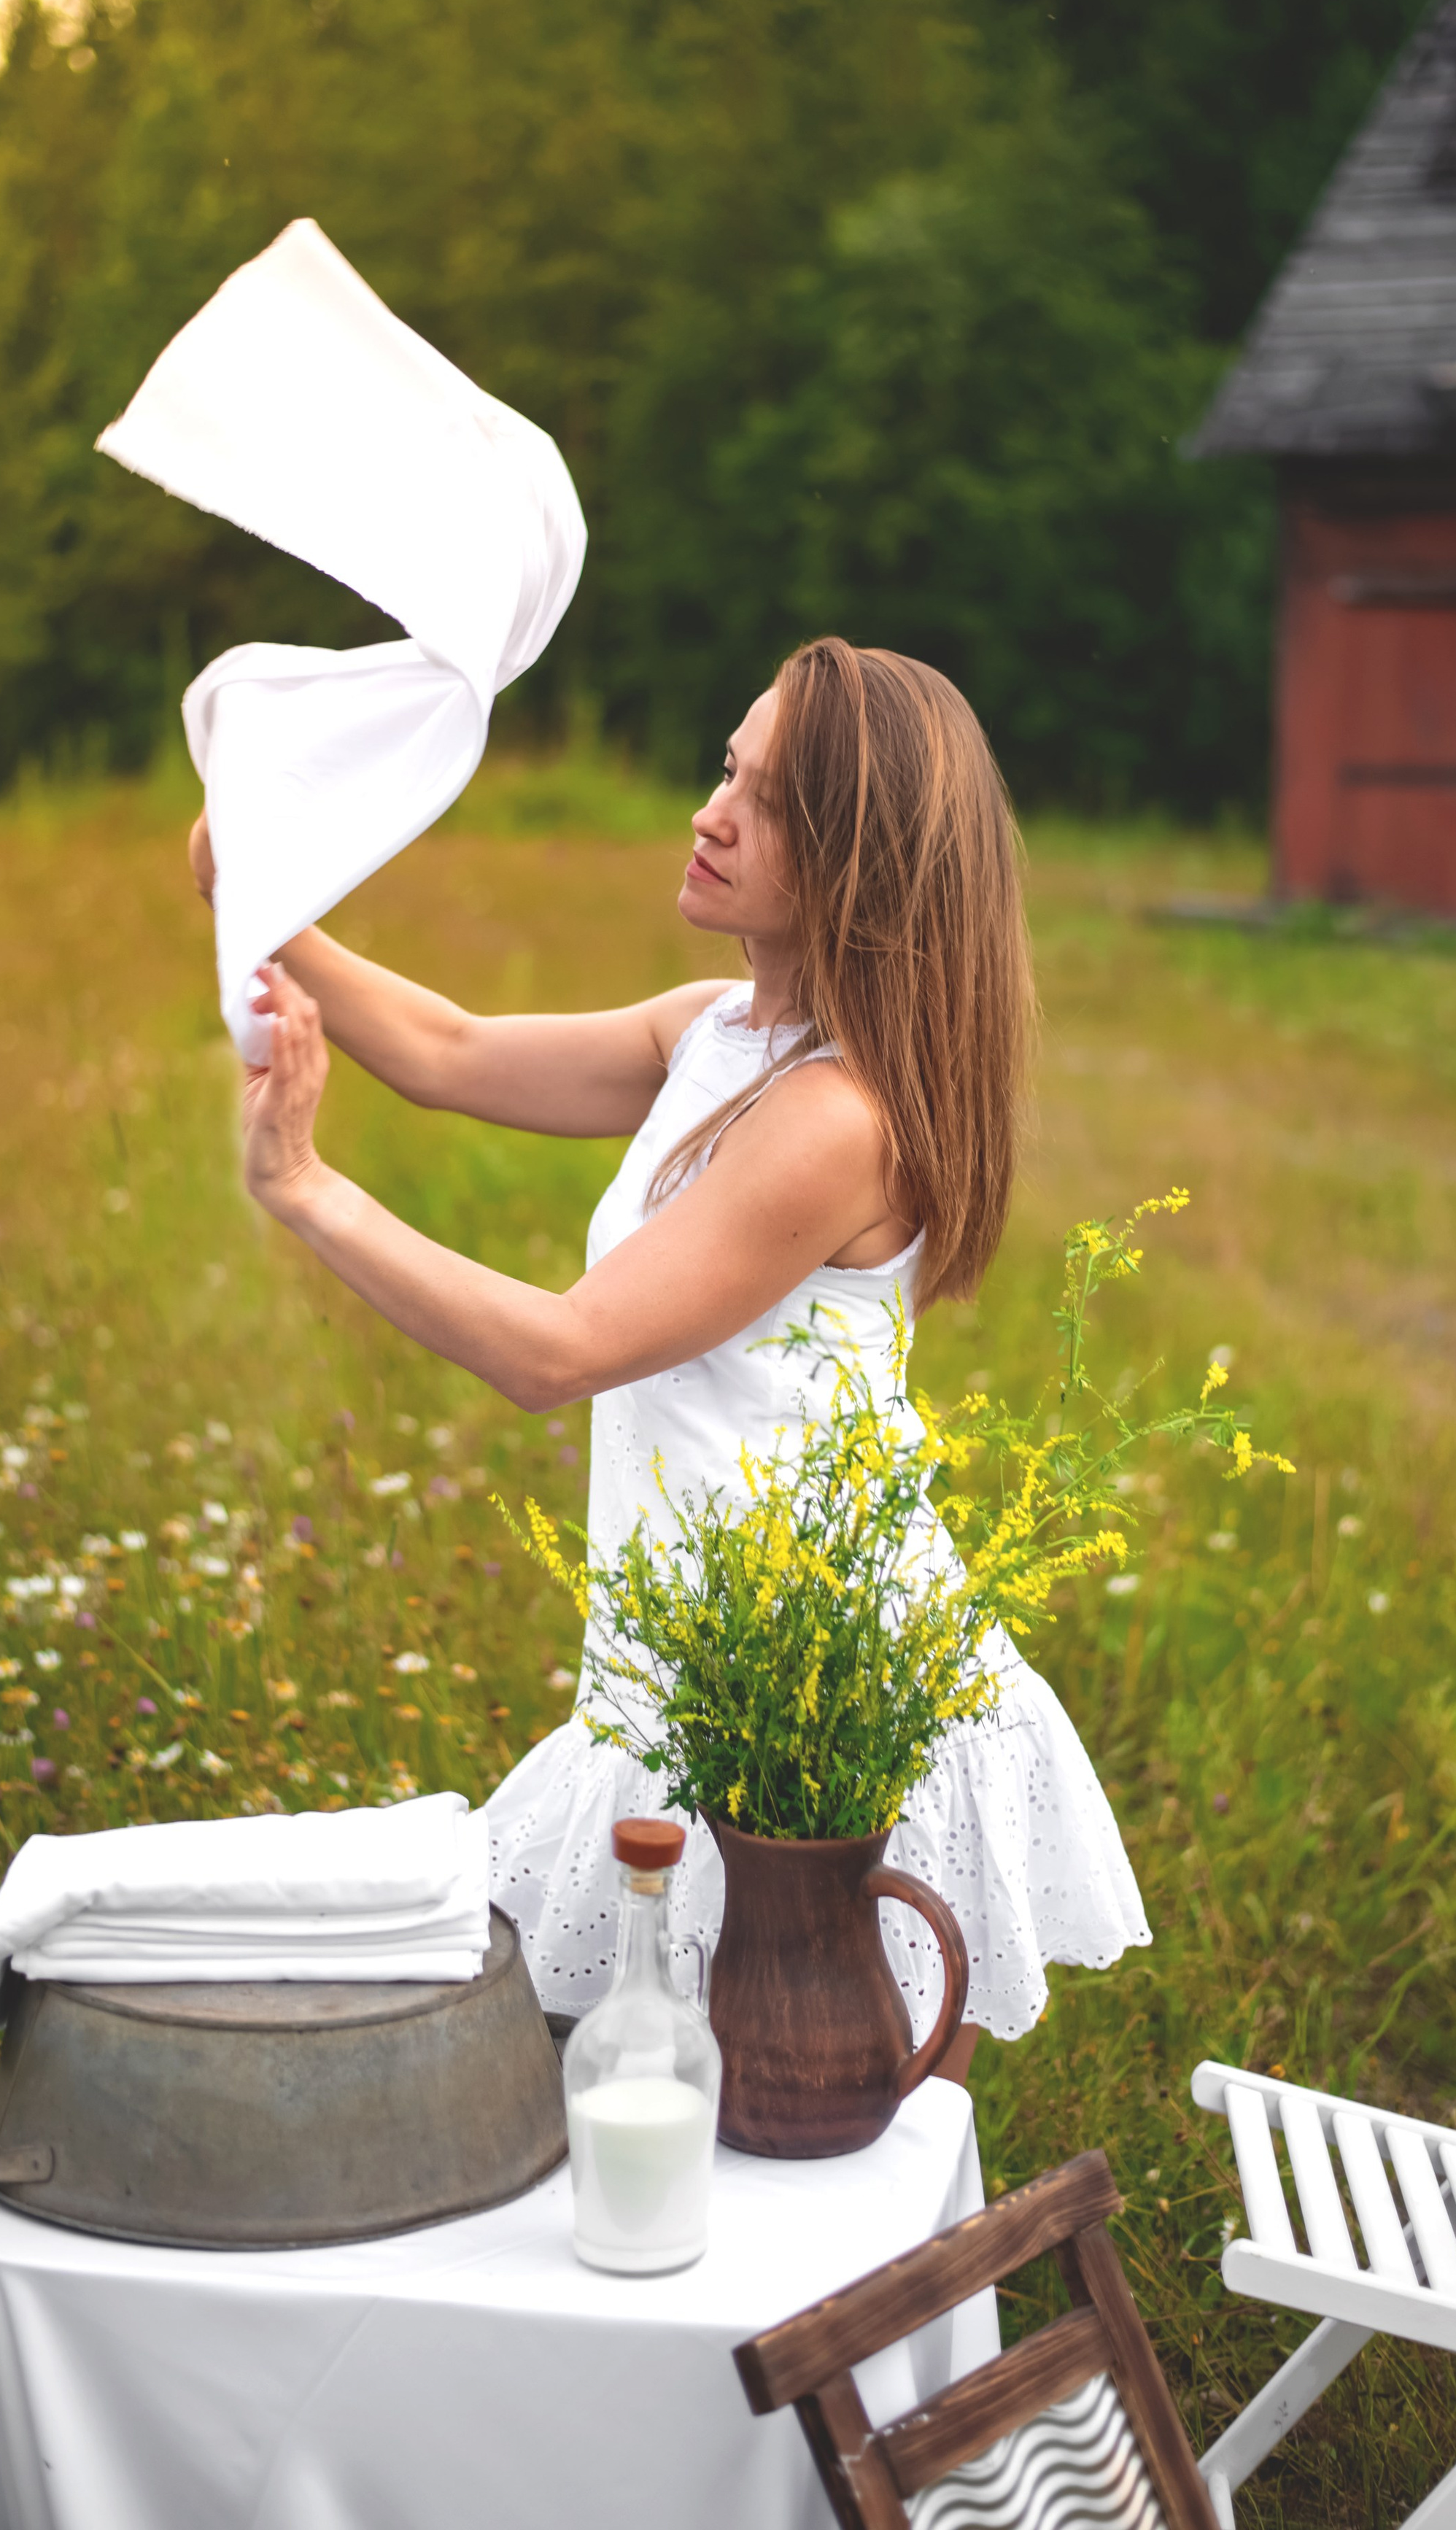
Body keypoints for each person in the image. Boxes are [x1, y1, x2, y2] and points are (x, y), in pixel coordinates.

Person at [193, 636, 1149, 2078]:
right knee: (685, 2118)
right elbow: (449, 1048)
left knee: (823, 2155)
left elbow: (559, 1349)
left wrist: (305, 1189)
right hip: (704, 1660)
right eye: (728, 767)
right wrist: (264, 902)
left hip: (825, 1699)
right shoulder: (714, 1032)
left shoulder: (834, 1117)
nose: (711, 813)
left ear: (856, 863)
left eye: (764, 802)